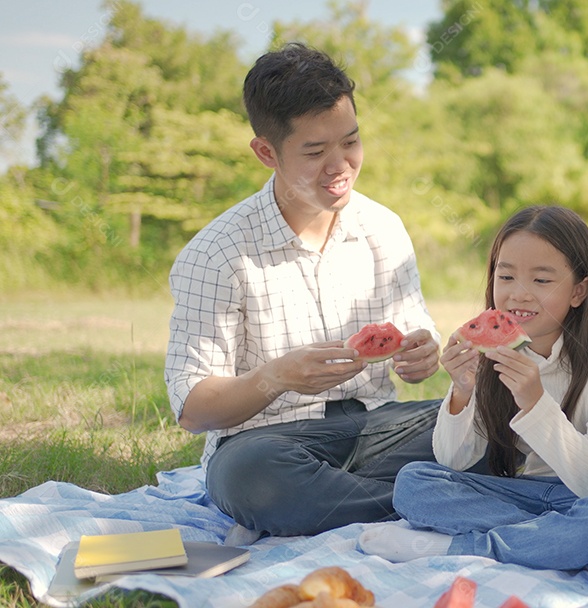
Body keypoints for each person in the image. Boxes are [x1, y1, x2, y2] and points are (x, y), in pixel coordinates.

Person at [164, 42, 448, 540]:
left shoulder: (383, 229)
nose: (339, 166)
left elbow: (414, 332)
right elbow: (194, 409)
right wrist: (276, 377)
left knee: (488, 419)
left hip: (378, 428)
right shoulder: (217, 254)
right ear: (266, 152)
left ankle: (388, 502)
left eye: (351, 142)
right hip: (267, 443)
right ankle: (433, 501)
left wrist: (424, 352)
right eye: (315, 152)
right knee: (251, 480)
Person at [357, 205, 588, 571]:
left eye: (542, 281)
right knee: (415, 482)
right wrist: (463, 390)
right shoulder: (493, 352)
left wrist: (536, 404)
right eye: (506, 277)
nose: (519, 295)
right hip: (526, 494)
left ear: (579, 291)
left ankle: (460, 545)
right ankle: (549, 541)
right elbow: (454, 461)